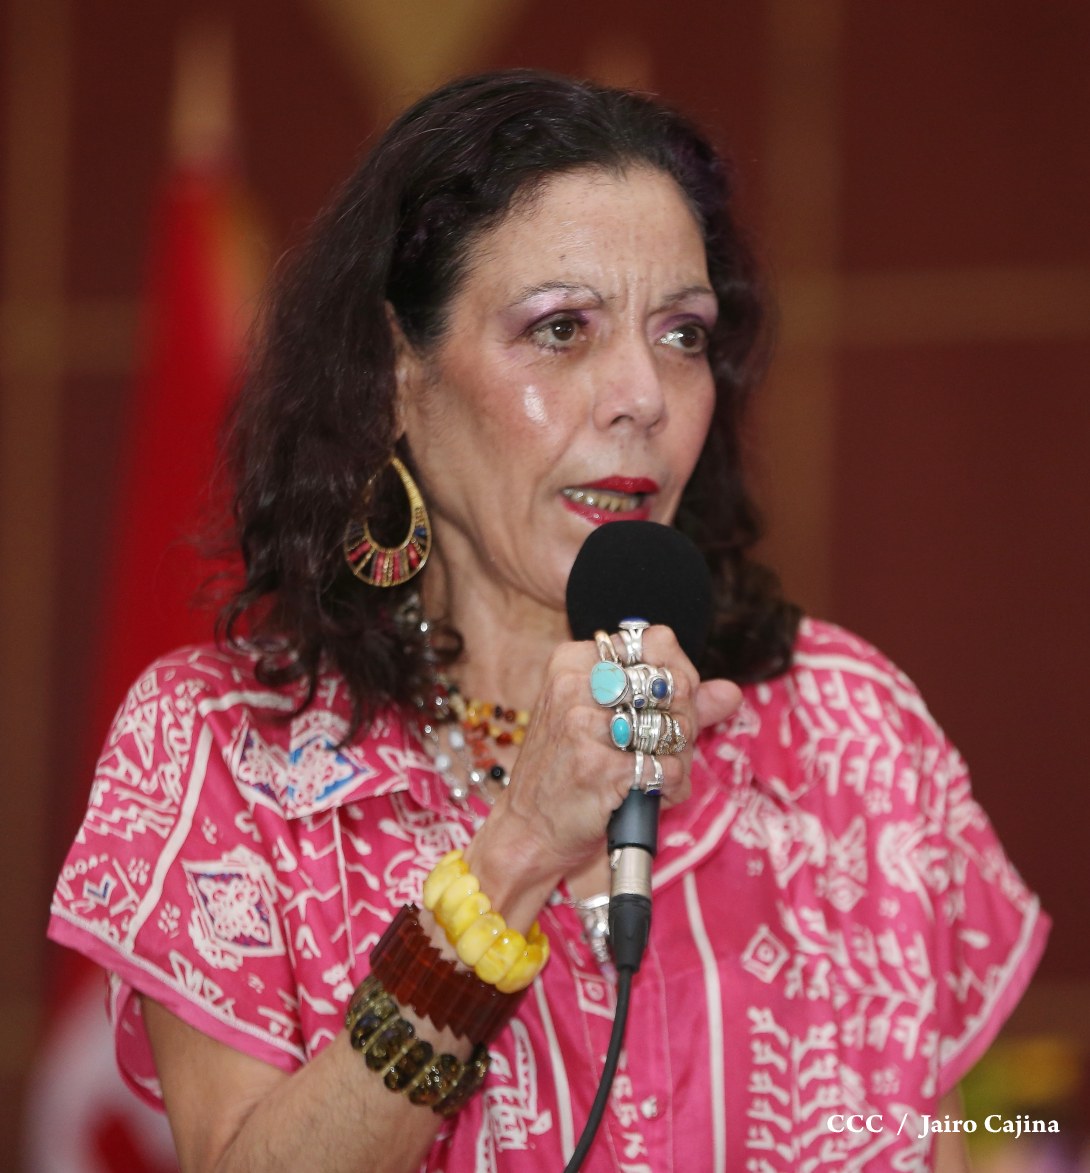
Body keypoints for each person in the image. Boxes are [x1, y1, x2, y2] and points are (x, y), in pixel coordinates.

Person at [48, 69, 1048, 1172]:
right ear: (395, 372)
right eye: (563, 327)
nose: (644, 397)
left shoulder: (847, 732)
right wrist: (515, 858)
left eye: (681, 334)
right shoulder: (228, 748)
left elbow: (941, 1138)